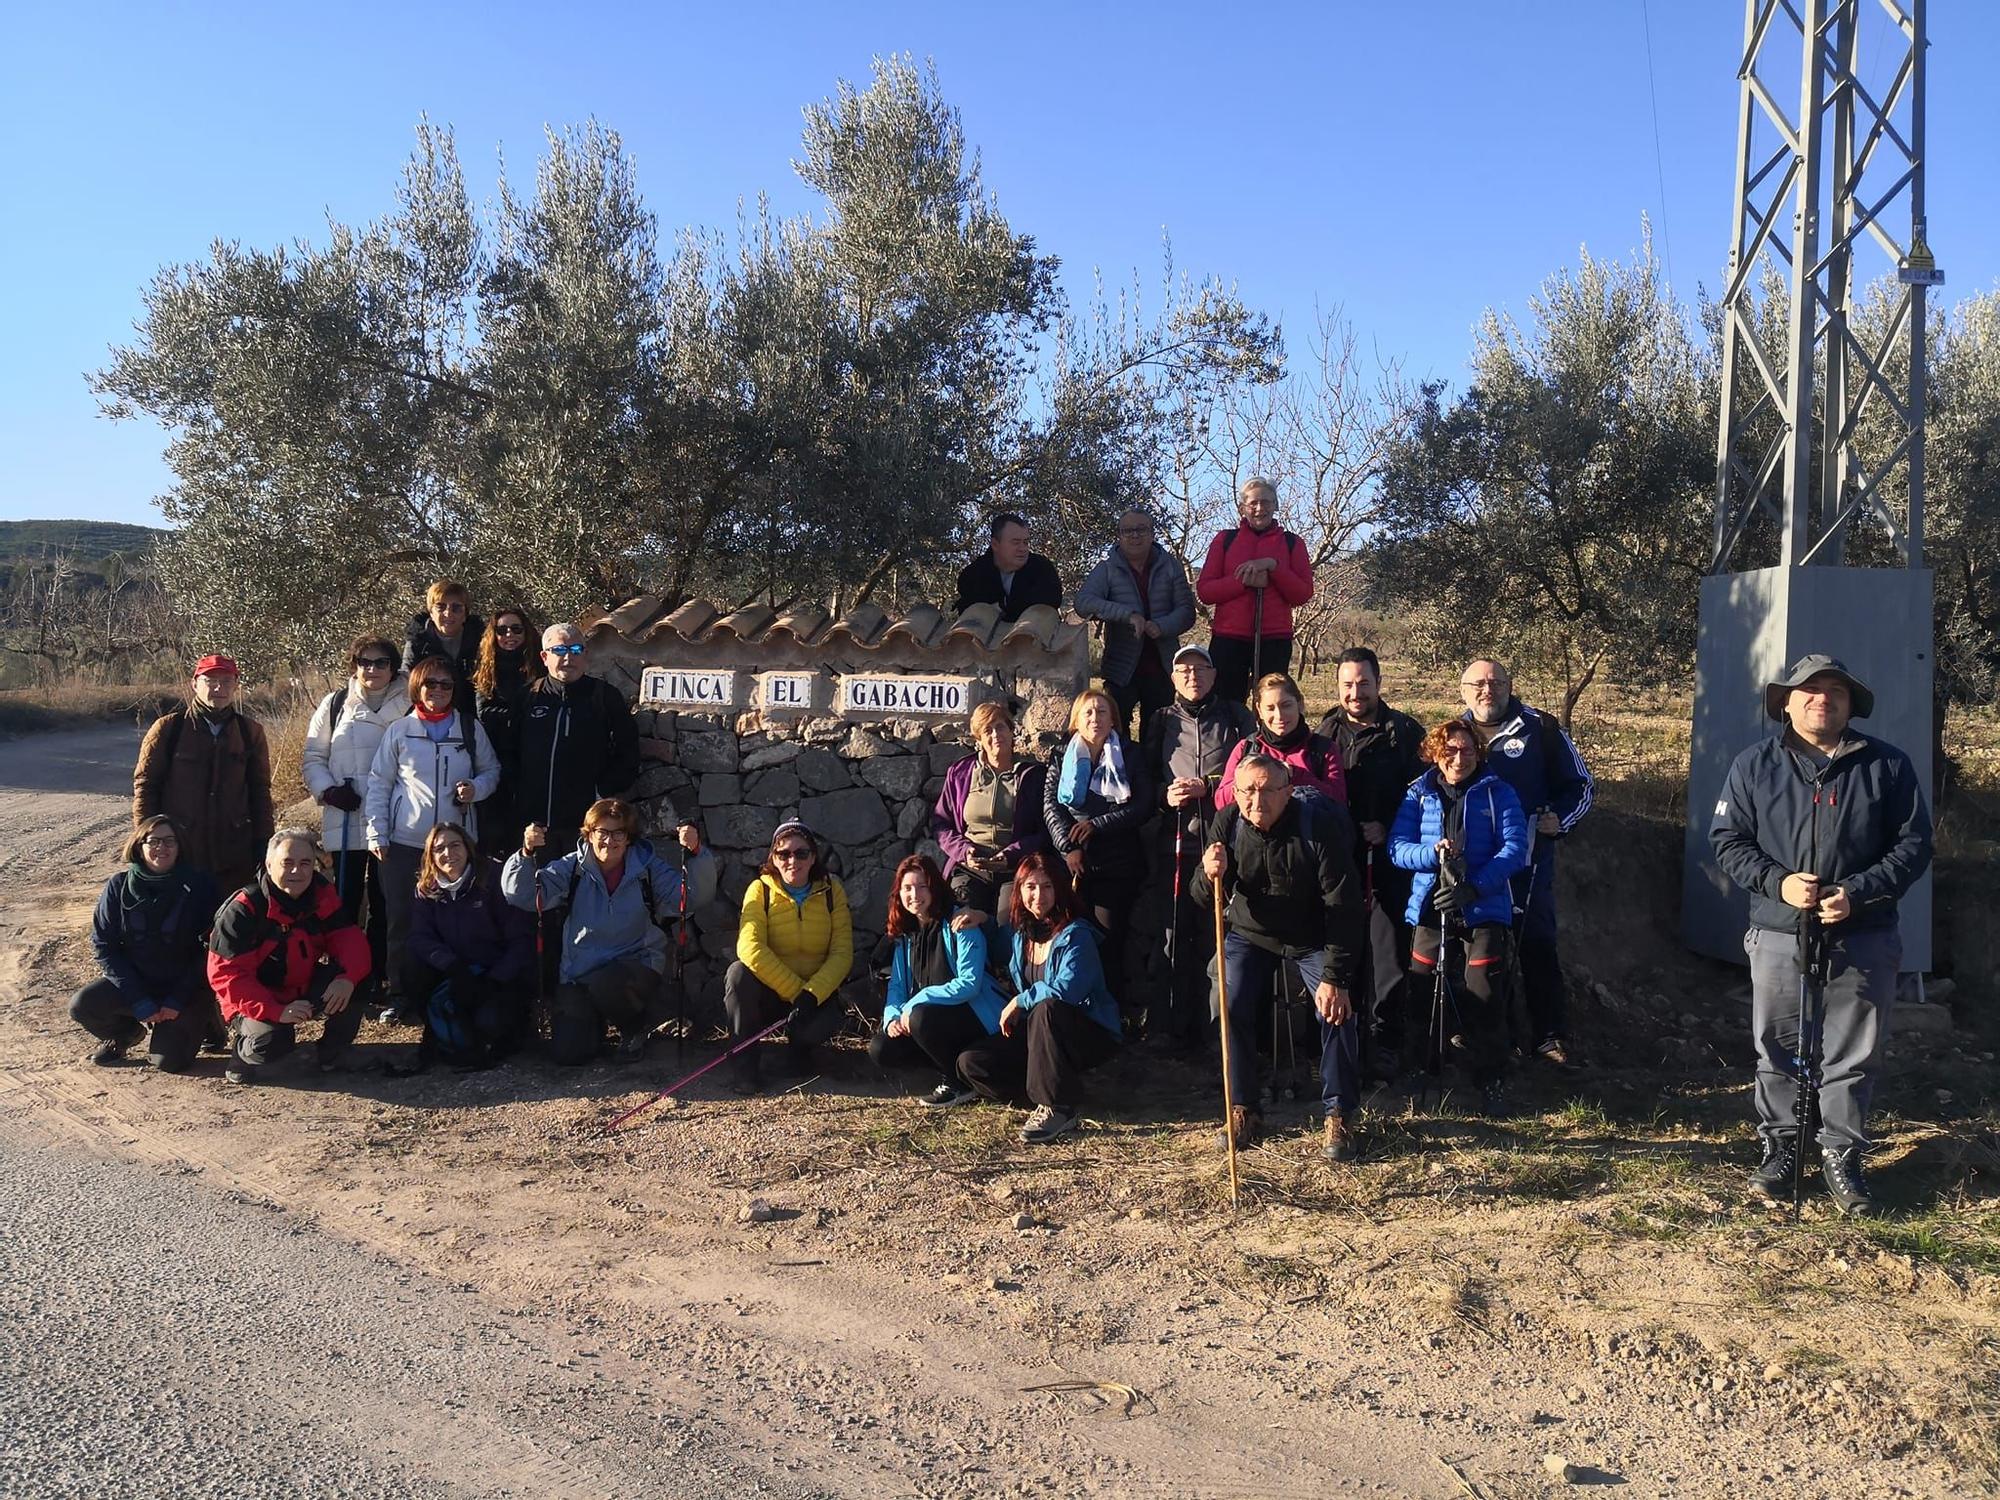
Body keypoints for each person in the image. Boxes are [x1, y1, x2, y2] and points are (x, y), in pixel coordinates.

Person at [1711, 654, 1932, 1215]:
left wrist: (1858, 892)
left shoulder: (1888, 766)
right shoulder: (1753, 766)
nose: (1821, 699)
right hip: (1779, 931)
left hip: (1864, 933)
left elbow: (1913, 847)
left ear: (1851, 705)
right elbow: (1728, 840)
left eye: (1835, 691)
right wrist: (1778, 883)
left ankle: (1842, 1155)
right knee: (1777, 1046)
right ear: (1785, 702)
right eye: (1808, 690)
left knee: (1853, 1052)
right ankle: (1782, 1148)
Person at [1192, 755, 1366, 1160]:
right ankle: (1243, 1108)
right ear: (1235, 792)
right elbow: (1206, 899)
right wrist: (1207, 873)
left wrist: (1336, 978)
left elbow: (1344, 907)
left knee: (1335, 1009)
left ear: (1288, 791)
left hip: (1312, 936)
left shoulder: (1316, 826)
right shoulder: (1228, 822)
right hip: (1251, 933)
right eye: (1248, 790)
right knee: (1228, 1001)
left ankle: (1339, 1111)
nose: (1258, 800)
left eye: (1268, 790)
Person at [503, 798, 715, 1067]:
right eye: (601, 832)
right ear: (589, 834)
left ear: (628, 838)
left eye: (618, 833)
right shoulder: (572, 868)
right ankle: (602, 1024)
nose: (609, 840)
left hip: (636, 965)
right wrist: (526, 853)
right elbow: (521, 895)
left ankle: (634, 1027)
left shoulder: (646, 867)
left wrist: (696, 852)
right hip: (580, 974)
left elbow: (692, 897)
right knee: (570, 1053)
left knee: (608, 984)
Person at [1388, 720, 1530, 1117]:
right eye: (1450, 749)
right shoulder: (1418, 793)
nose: (1459, 757)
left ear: (1478, 753)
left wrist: (1476, 886)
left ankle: (1491, 1078)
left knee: (1483, 992)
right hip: (1430, 905)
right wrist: (1431, 853)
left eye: (1467, 750)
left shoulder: (1499, 793)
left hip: (1483, 907)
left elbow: (1515, 848)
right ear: (1436, 752)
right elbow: (1397, 848)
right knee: (1420, 991)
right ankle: (1419, 1069)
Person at [1458, 660, 1593, 1064]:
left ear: (1509, 686)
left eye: (1496, 682)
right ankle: (1496, 1037)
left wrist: (1559, 821)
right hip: (1478, 870)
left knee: (1535, 945)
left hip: (1530, 864)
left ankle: (1549, 1037)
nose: (1488, 690)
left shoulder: (1542, 729)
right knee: (1483, 953)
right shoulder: (1455, 735)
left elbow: (1581, 786)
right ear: (1463, 690)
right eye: (1478, 684)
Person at [365, 656, 500, 1021]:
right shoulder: (399, 730)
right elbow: (379, 782)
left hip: (458, 843)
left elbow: (492, 771)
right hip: (406, 841)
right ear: (417, 687)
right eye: (431, 684)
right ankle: (401, 994)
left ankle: (454, 991)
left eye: (446, 685)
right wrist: (377, 832)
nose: (438, 691)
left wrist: (476, 788)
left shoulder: (469, 729)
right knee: (402, 920)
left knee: (459, 921)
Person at [955, 853, 1121, 1144]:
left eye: (1046, 886)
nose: (1038, 895)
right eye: (1030, 887)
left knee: (1047, 1008)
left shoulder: (1076, 935)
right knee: (972, 1063)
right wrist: (982, 918)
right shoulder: (1021, 933)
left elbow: (1067, 990)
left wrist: (1019, 1001)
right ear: (1019, 891)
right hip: (1039, 1035)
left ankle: (1057, 1107)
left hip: (1086, 1033)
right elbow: (998, 937)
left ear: (1059, 890)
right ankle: (1040, 1089)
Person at [1317, 648, 1427, 1082]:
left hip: (1391, 858)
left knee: (1388, 954)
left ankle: (1387, 1038)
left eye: (1363, 683)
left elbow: (1423, 795)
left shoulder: (1404, 732)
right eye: (1347, 684)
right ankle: (1343, 1036)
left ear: (1378, 683)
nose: (1355, 692)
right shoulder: (1324, 731)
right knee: (1344, 947)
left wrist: (1388, 826)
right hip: (1340, 859)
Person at [1143, 644, 1256, 1052]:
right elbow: (1145, 779)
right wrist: (1163, 795)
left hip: (1223, 842)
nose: (1192, 676)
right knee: (1172, 935)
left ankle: (1217, 1033)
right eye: (1183, 670)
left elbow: (1248, 768)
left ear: (1213, 674)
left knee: (1217, 937)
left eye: (1200, 668)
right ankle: (1165, 1028)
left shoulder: (1235, 716)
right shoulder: (1159, 720)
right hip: (1174, 841)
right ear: (1173, 678)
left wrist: (1206, 786)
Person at [207, 828, 372, 1085]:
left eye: (305, 863)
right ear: (269, 864)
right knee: (270, 1044)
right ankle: (242, 1050)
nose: (297, 871)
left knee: (358, 979)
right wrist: (276, 1011)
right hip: (255, 999)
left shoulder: (320, 894)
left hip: (300, 984)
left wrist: (347, 978)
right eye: (288, 863)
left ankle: (332, 1053)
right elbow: (227, 976)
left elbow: (348, 938)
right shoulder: (244, 908)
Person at [302, 636, 409, 999]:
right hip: (344, 818)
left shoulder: (410, 702)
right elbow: (313, 755)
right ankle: (344, 977)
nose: (373, 669)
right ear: (354, 666)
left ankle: (379, 976)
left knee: (385, 903)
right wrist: (329, 791)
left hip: (392, 821)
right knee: (343, 903)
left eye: (381, 663)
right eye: (365, 662)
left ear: (393, 667)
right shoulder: (335, 704)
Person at [1042, 687, 1153, 1034]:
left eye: (1102, 712)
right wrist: (1067, 846)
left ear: (1113, 719)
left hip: (1116, 864)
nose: (1095, 719)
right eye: (1088, 712)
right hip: (1071, 865)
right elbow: (1051, 805)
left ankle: (1109, 1020)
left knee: (1108, 942)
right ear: (1077, 719)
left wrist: (1097, 825)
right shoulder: (1062, 755)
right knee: (1069, 940)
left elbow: (1142, 805)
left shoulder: (1129, 755)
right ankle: (1068, 1013)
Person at [70, 816, 220, 1072]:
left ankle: (208, 1022)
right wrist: (138, 998)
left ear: (180, 846)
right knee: (83, 1005)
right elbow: (104, 945)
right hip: (139, 983)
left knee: (169, 1063)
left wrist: (177, 999)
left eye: (170, 841)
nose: (162, 847)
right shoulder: (118, 886)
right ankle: (125, 1034)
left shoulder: (201, 886)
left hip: (186, 987)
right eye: (154, 841)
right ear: (140, 846)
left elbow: (211, 949)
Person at [725, 820, 855, 1093]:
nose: (791, 860)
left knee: (817, 1027)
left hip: (814, 997)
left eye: (801, 853)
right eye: (783, 854)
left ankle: (800, 1055)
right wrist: (797, 992)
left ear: (813, 857)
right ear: (773, 857)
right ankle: (745, 1067)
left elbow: (842, 953)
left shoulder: (832, 891)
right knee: (738, 974)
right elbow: (749, 947)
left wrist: (812, 993)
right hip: (775, 995)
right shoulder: (760, 890)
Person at [132, 653, 275, 895]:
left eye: (227, 681)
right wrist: (146, 841)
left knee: (229, 925)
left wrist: (264, 843)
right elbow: (146, 786)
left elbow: (260, 792)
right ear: (194, 684)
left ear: (236, 685)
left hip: (234, 855)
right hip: (181, 852)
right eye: (211, 680)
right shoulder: (168, 729)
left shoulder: (250, 733)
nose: (219, 688)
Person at [869, 854, 1005, 1107]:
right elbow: (897, 986)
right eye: (907, 888)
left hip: (973, 1016)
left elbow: (969, 983)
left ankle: (957, 1083)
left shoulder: (961, 923)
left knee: (921, 1017)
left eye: (922, 886)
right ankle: (950, 1063)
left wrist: (914, 1004)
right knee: (881, 1048)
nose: (914, 894)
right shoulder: (907, 934)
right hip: (929, 1021)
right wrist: (892, 1018)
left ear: (935, 888)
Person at [403, 822, 536, 1069]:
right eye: (439, 848)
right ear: (430, 856)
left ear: (468, 847)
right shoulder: (426, 888)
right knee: (412, 965)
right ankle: (437, 1032)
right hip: (456, 971)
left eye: (455, 845)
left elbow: (521, 939)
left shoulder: (494, 877)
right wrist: (451, 965)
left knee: (490, 1021)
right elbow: (419, 937)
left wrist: (496, 978)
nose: (447, 853)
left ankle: (511, 1031)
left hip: (497, 973)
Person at [1074, 509, 1195, 743]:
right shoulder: (1107, 569)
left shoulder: (1170, 566)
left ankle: (1155, 779)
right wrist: (1127, 615)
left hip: (1162, 667)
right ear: (1119, 536)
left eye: (1141, 529)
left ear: (1152, 534)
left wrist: (1160, 626)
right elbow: (1083, 603)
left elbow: (1186, 612)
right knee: (1116, 735)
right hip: (1121, 668)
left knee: (1159, 736)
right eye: (1127, 530)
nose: (1134, 535)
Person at [1194, 478, 1314, 703]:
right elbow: (1206, 592)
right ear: (1242, 508)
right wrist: (1243, 582)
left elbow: (1302, 594)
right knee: (1225, 706)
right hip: (1228, 639)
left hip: (1274, 639)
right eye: (1253, 503)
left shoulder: (1292, 543)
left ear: (1276, 505)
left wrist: (1273, 567)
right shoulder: (1224, 540)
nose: (1260, 509)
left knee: (1272, 702)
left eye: (1267, 502)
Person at [931, 701, 1049, 921]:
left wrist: (1011, 854)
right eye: (988, 730)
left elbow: (1045, 831)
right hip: (970, 868)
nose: (996, 735)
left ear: (1011, 730)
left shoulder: (1032, 775)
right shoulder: (961, 773)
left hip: (1015, 869)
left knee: (1008, 925)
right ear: (979, 739)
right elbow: (941, 824)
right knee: (965, 925)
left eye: (1000, 727)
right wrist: (964, 851)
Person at [1212, 673, 1346, 810]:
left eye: (1286, 705)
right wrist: (1253, 777)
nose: (1279, 715)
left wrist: (1297, 775)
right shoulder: (1246, 748)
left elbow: (1338, 800)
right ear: (1259, 710)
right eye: (1270, 708)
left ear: (1300, 704)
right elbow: (1221, 801)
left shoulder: (1324, 749)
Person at [472, 605, 545, 855]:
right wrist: (522, 714)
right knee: (493, 833)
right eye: (501, 630)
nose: (509, 635)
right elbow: (485, 715)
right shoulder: (485, 671)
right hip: (494, 761)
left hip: (531, 762)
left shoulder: (539, 668)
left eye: (516, 629)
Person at [952, 513, 1063, 623]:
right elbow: (968, 607)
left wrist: (1003, 606)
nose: (1022, 549)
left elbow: (1050, 600)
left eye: (1025, 542)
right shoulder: (974, 574)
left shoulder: (1041, 568)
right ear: (995, 544)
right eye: (1016, 542)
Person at [406, 579, 484, 695]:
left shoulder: (481, 640)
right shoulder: (417, 641)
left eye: (456, 608)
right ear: (431, 613)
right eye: (440, 607)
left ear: (465, 614)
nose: (448, 613)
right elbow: (407, 679)